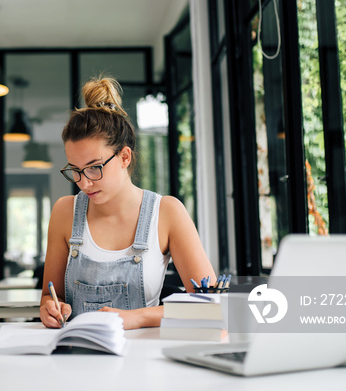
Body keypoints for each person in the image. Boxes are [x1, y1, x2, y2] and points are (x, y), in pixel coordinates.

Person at [40, 76, 216, 330]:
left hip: (144, 359)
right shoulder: (64, 212)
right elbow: (49, 295)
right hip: (77, 355)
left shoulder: (166, 212)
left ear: (124, 156)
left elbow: (210, 304)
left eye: (94, 168)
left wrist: (139, 317)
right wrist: (49, 307)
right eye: (75, 170)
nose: (84, 183)